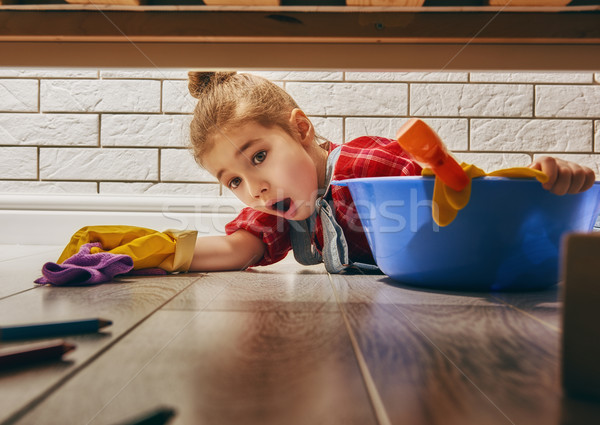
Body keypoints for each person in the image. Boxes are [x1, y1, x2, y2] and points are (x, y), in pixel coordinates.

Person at [186, 71, 596, 273]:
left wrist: (541, 180)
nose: (255, 187)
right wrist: (150, 252)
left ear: (301, 129)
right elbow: (237, 248)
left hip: (492, 261)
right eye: (233, 180)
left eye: (258, 157)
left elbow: (462, 195)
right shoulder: (285, 202)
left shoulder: (364, 166)